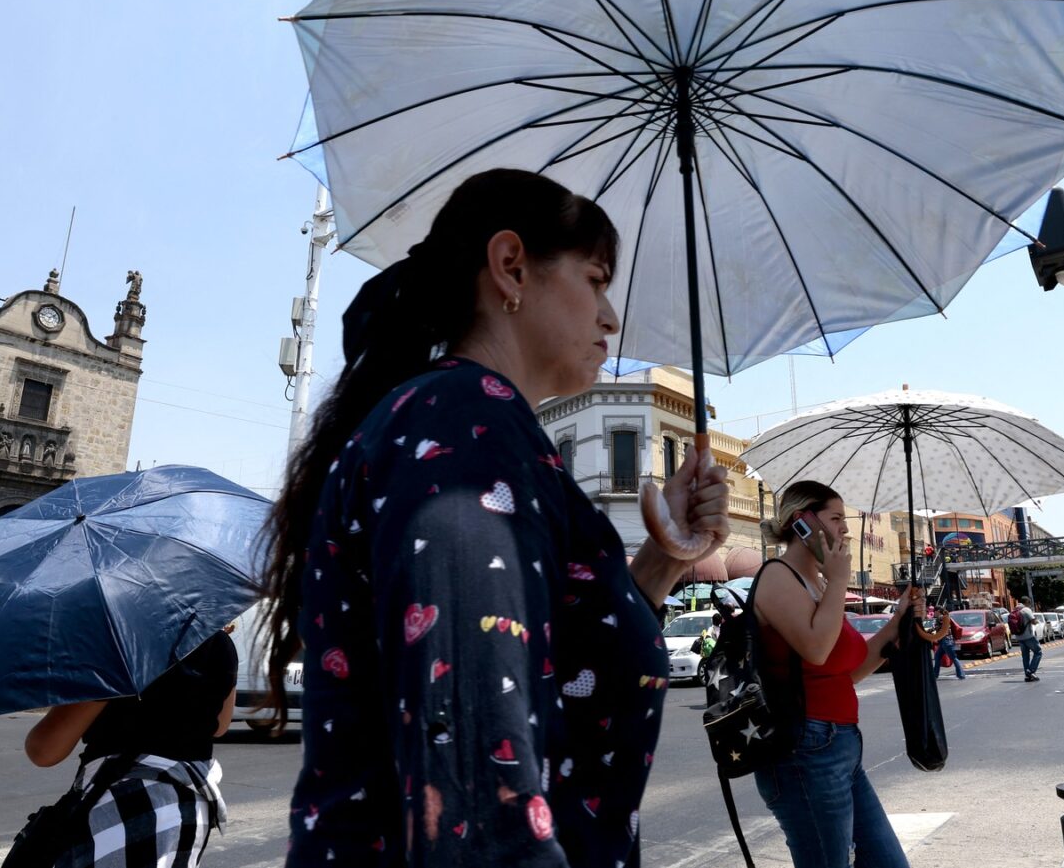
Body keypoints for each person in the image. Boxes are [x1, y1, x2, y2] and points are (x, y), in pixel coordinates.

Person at [257, 170, 731, 868]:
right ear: (510, 266)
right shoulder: (464, 431)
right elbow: (478, 800)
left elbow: (551, 663)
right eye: (596, 278)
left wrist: (666, 559)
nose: (610, 316)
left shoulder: (486, 432)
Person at [751, 480, 921, 868]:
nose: (845, 528)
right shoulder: (778, 576)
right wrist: (841, 580)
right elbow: (816, 647)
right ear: (802, 522)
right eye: (836, 518)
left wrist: (899, 620)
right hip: (805, 750)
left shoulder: (819, 583)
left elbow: (849, 670)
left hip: (840, 745)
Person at [23, 630, 237, 867]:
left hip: (123, 809)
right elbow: (220, 725)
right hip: (187, 810)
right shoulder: (217, 642)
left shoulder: (118, 642)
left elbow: (44, 750)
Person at [931, 608, 965, 681]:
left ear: (938, 611)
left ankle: (961, 674)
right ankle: (934, 675)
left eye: (935, 611)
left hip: (946, 641)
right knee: (937, 657)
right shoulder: (945, 617)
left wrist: (928, 631)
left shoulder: (940, 617)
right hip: (945, 641)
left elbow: (935, 628)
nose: (934, 613)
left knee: (953, 658)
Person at [1015, 596, 1043, 682]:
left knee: (1025, 656)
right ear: (1026, 602)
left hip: (1019, 637)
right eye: (1029, 603)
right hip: (1028, 636)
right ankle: (1031, 671)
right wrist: (1037, 621)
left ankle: (1027, 676)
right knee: (1038, 652)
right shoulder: (1026, 610)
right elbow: (1034, 622)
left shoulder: (1015, 610)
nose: (1030, 605)